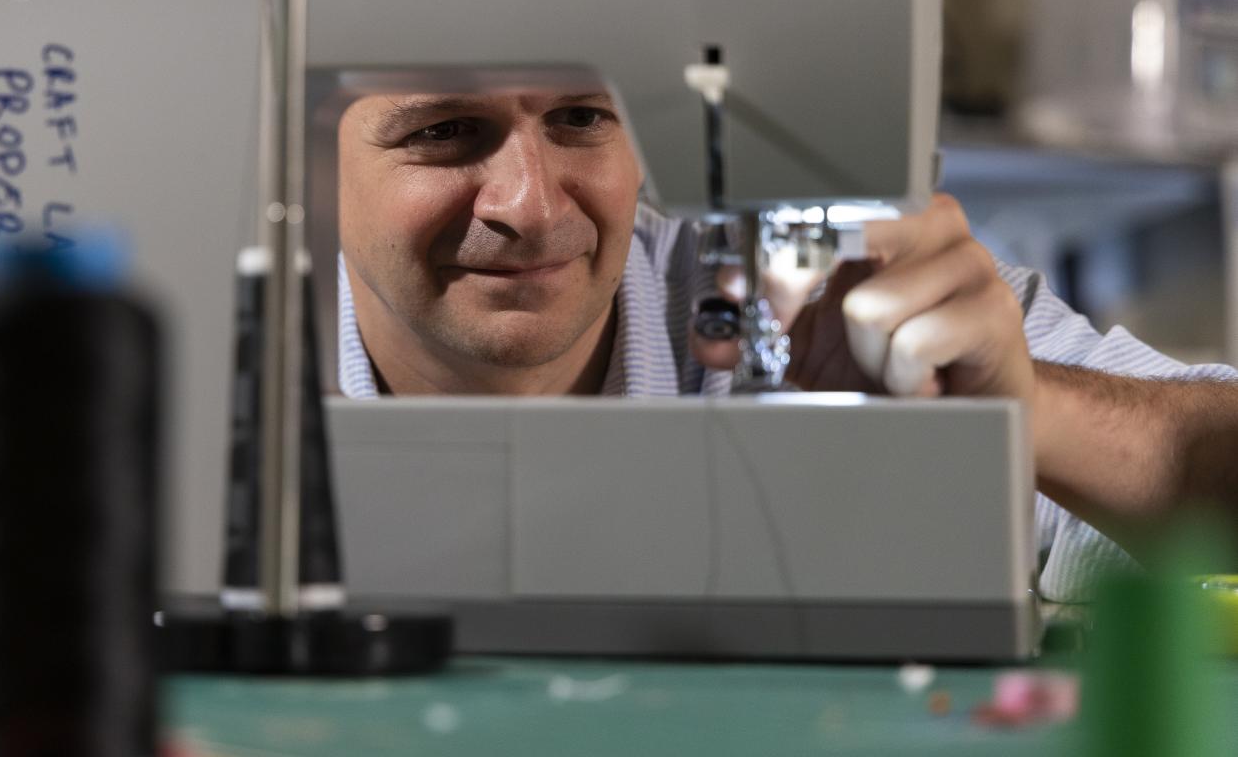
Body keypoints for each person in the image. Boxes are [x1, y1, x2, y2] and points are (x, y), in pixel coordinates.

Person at [334, 79, 1238, 601]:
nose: (531, 207)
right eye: (444, 130)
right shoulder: (222, 388)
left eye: (581, 116)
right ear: (315, 157)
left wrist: (1023, 415)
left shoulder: (803, 296)